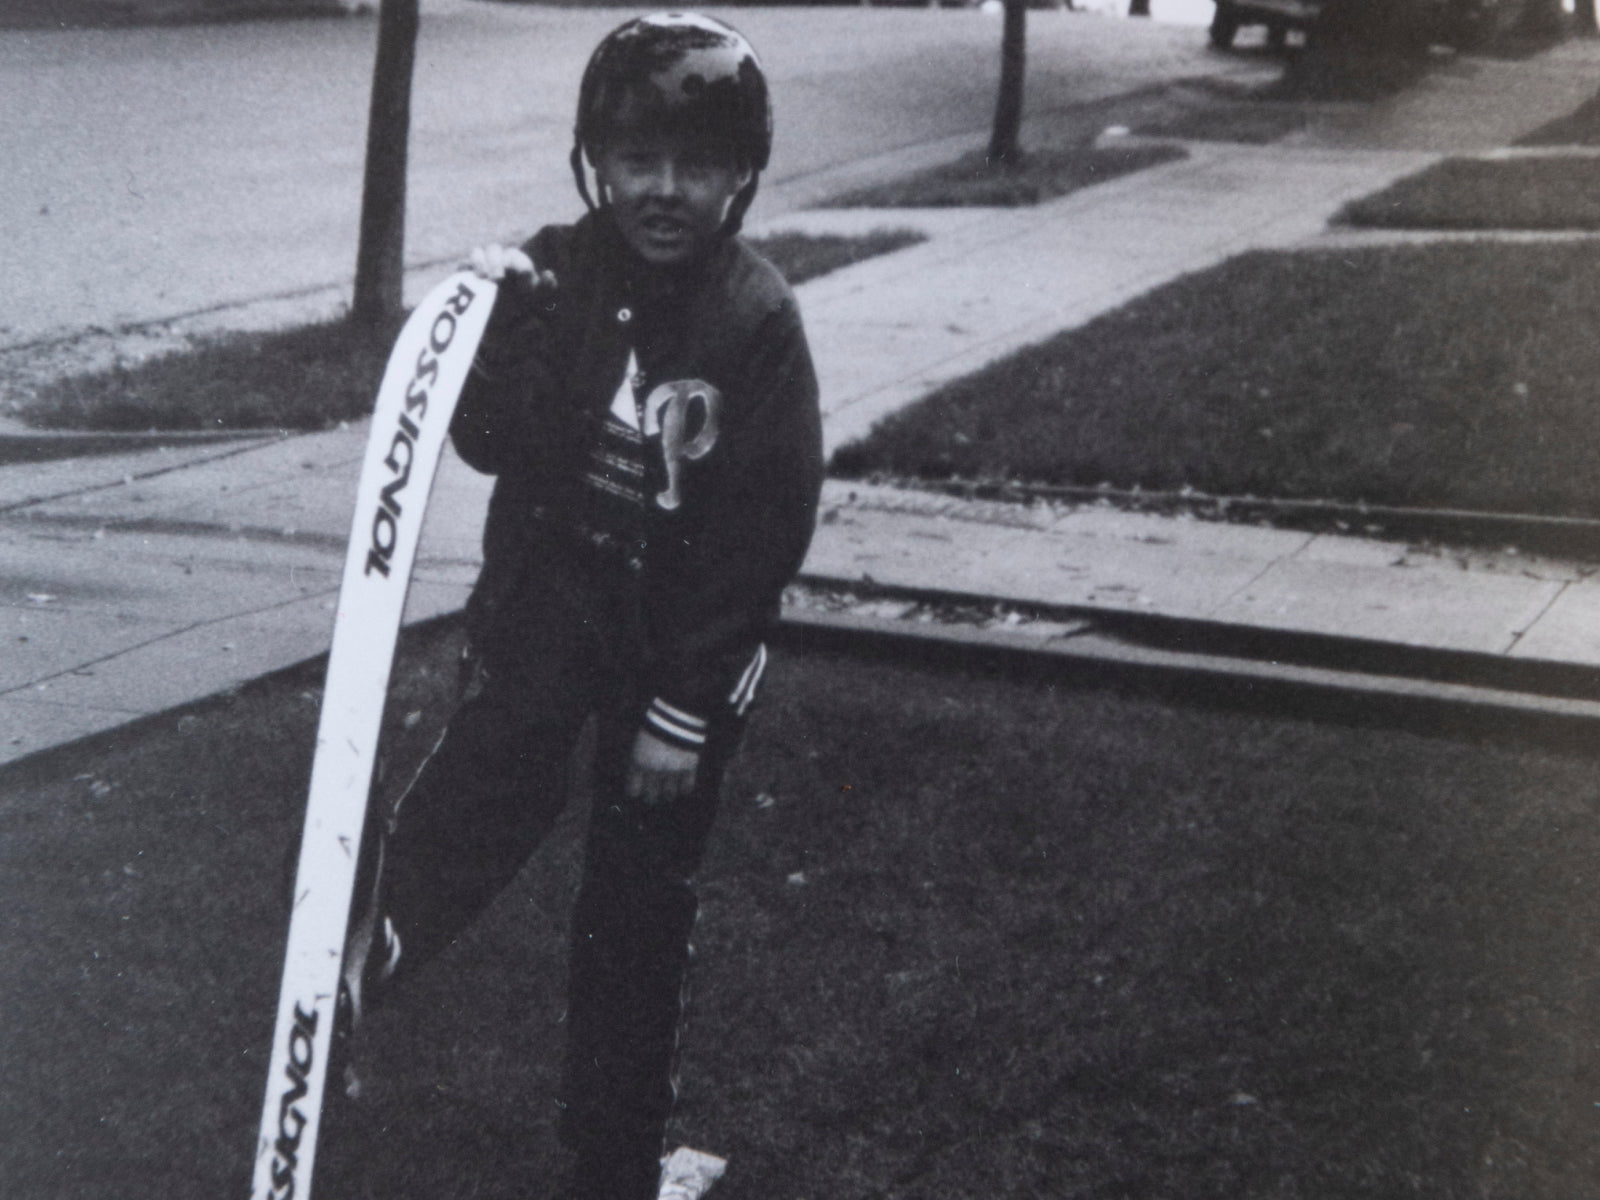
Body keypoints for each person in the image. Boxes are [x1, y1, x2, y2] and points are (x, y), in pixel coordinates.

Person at [332, 13, 823, 1199]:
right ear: (594, 159)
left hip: (680, 646)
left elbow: (759, 535)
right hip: (554, 605)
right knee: (478, 793)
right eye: (635, 159)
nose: (662, 189)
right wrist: (488, 339)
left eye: (696, 164)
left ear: (742, 174)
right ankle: (351, 966)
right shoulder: (558, 273)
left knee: (637, 899)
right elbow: (496, 438)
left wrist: (685, 709)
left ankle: (611, 1153)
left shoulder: (755, 320)